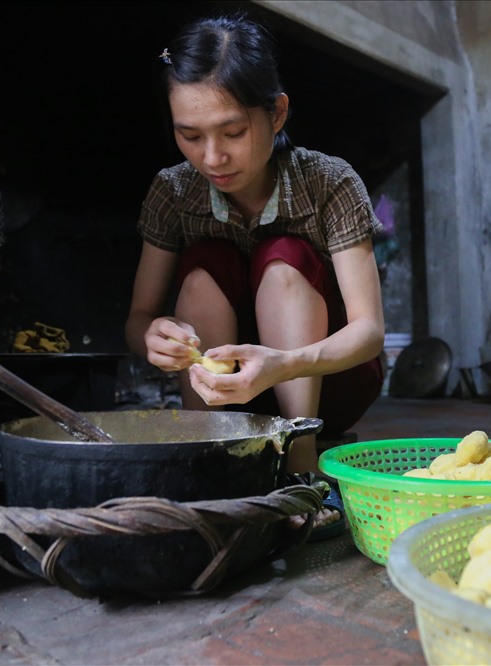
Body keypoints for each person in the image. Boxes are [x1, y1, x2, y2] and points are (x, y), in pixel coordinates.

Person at [124, 14, 386, 532]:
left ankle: (301, 467)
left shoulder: (328, 183)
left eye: (234, 132)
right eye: (190, 135)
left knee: (284, 256)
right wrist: (153, 337)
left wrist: (284, 364)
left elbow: (369, 332)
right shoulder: (173, 192)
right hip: (224, 396)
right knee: (205, 266)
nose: (213, 157)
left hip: (328, 385)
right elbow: (139, 319)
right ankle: (212, 456)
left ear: (278, 113)